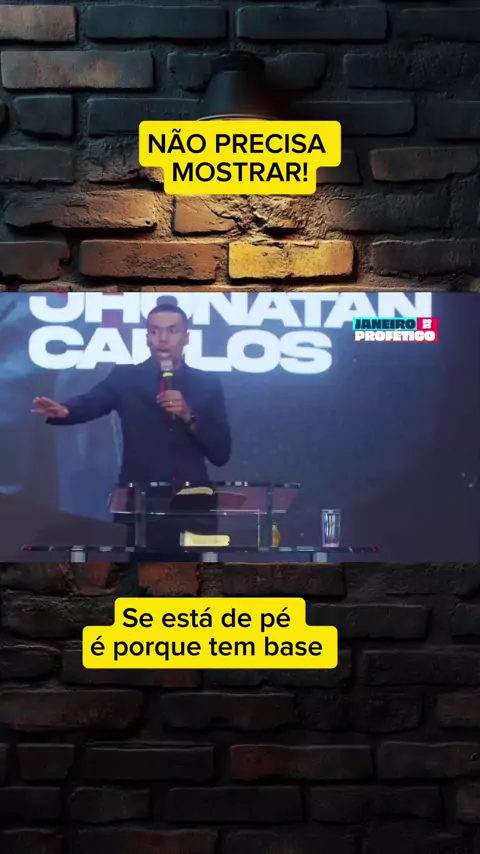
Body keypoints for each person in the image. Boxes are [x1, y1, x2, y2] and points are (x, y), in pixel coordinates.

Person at [32, 301, 232, 558]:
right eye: (155, 331)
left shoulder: (207, 384)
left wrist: (188, 415)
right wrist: (66, 411)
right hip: (140, 505)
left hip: (193, 507)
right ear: (147, 337)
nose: (163, 339)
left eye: (172, 331)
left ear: (186, 337)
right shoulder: (125, 378)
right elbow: (91, 401)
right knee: (139, 576)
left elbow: (221, 452)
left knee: (193, 578)